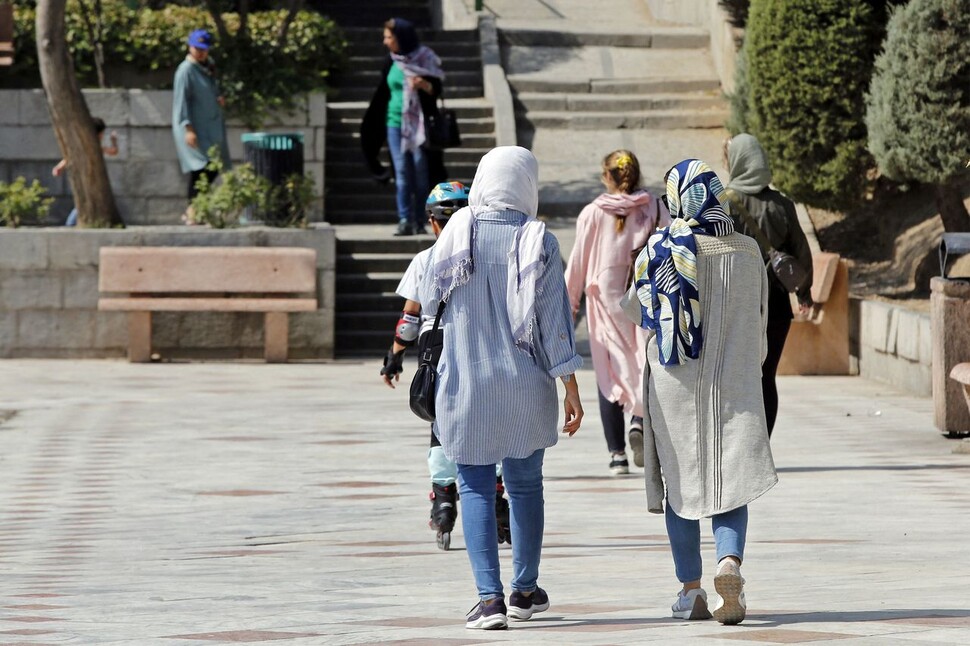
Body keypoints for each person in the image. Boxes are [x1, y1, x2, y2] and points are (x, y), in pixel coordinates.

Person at [417, 146, 584, 630]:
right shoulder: (539, 240)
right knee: (526, 486)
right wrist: (570, 385)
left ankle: (488, 600)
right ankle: (524, 591)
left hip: (466, 385)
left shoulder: (455, 232)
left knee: (473, 488)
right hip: (526, 386)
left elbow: (429, 297)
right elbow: (556, 321)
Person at [622, 159, 777, 626]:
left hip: (675, 387)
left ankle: (690, 591)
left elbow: (634, 310)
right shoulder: (748, 251)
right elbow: (762, 323)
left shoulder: (659, 249)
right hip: (736, 382)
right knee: (731, 482)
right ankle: (728, 563)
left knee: (681, 486)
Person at [379, 181, 512, 551]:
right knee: (490, 421)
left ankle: (443, 500)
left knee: (442, 423)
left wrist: (394, 356)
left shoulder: (424, 260)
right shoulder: (490, 254)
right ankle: (498, 497)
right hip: (485, 348)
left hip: (434, 352)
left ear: (432, 223)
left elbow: (409, 317)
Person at [564, 150, 669, 475]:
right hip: (644, 299)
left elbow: (578, 263)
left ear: (608, 176)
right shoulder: (654, 207)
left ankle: (617, 454)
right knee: (642, 365)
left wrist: (567, 307)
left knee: (608, 372)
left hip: (605, 305)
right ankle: (638, 419)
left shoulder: (594, 212)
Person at [725, 134, 813, 437]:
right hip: (776, 303)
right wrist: (805, 292)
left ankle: (740, 441)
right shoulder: (783, 205)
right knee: (766, 375)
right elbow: (800, 250)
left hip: (736, 301)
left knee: (737, 375)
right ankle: (762, 442)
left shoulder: (724, 202)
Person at [360, 18, 446, 237]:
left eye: (389, 37)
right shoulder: (391, 61)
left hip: (419, 126)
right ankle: (404, 219)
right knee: (402, 173)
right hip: (394, 124)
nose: (385, 41)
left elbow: (437, 89)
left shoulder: (425, 58)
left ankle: (420, 219)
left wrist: (423, 84)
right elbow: (382, 94)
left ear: (401, 38)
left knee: (420, 172)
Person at [172, 28, 230, 209]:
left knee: (212, 167)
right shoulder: (186, 70)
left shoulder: (207, 67)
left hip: (210, 129)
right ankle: (192, 211)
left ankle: (197, 210)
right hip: (195, 129)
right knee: (201, 169)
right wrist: (188, 129)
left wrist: (218, 99)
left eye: (204, 48)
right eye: (197, 48)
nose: (201, 52)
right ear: (190, 47)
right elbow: (181, 101)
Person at [52, 116, 119, 226]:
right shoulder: (89, 146)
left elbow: (113, 151)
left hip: (91, 180)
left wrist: (59, 168)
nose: (102, 136)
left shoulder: (94, 146)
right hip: (87, 181)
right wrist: (59, 167)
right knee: (84, 204)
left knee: (86, 204)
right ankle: (71, 224)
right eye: (102, 133)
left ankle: (73, 223)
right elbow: (70, 157)